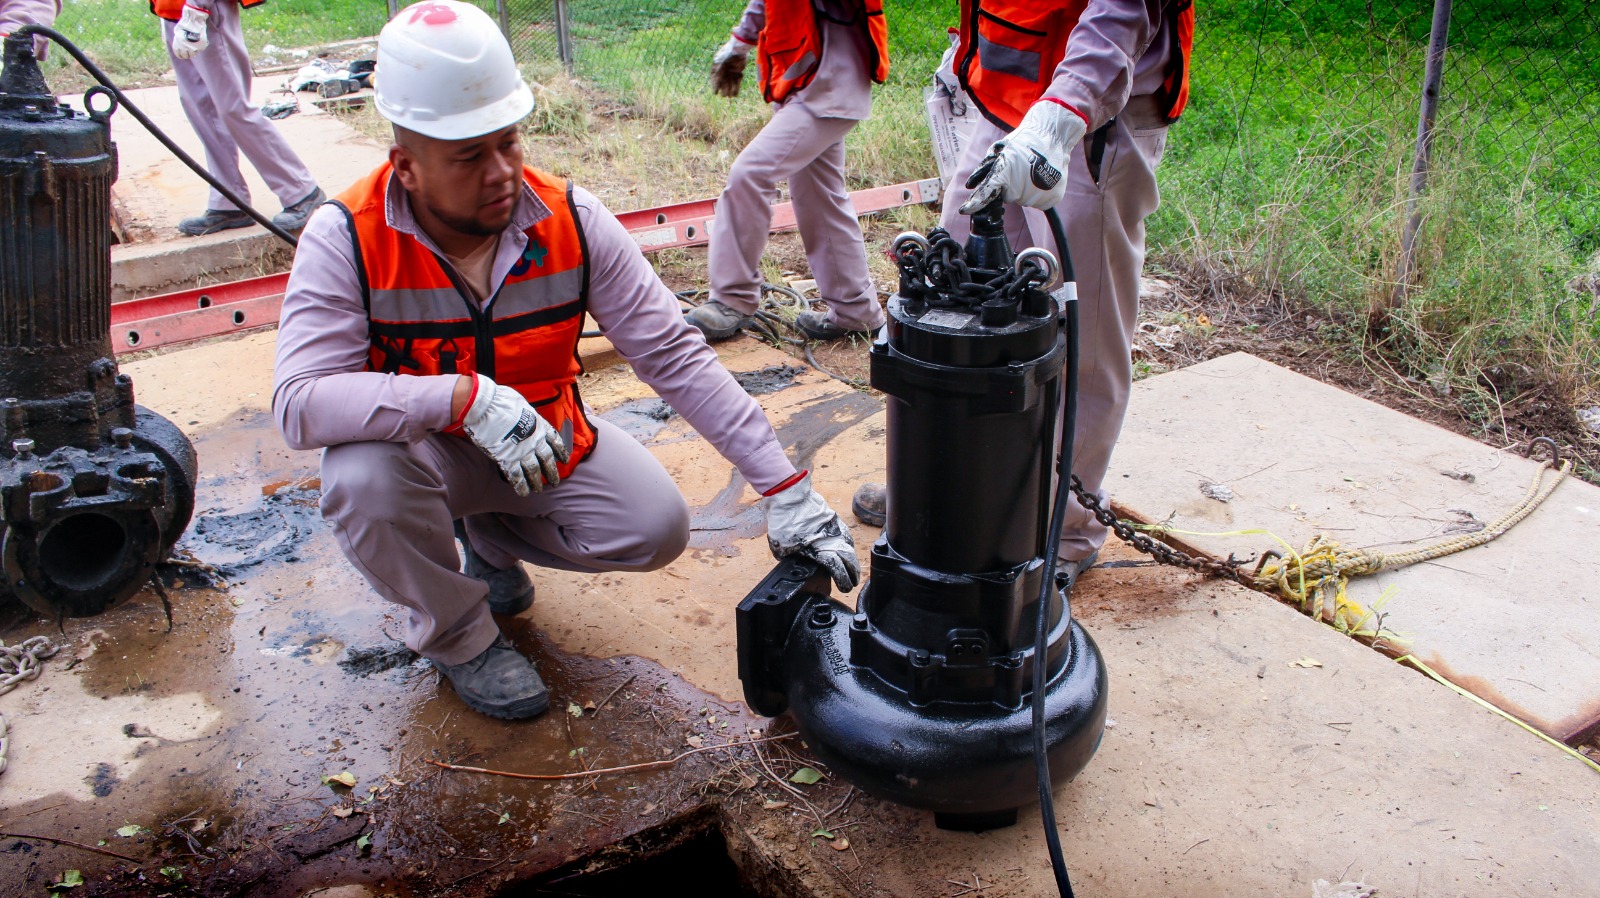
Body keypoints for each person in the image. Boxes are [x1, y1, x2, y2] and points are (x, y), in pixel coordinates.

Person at [272, 0, 859, 721]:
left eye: (509, 143)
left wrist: (786, 487)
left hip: (545, 444)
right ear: (407, 167)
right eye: (468, 156)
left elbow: (673, 356)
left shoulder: (571, 220)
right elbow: (300, 402)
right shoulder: (347, 238)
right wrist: (460, 401)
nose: (503, 172)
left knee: (653, 528)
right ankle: (461, 637)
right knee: (361, 477)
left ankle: (486, 536)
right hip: (425, 460)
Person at [856, 0, 1192, 579]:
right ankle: (945, 492)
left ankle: (1066, 532)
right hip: (1001, 103)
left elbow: (1120, 13)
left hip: (1090, 121)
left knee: (1083, 346)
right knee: (948, 299)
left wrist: (1059, 119)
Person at [687, 0, 890, 343]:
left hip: (829, 83)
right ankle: (855, 310)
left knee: (750, 173)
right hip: (811, 80)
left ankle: (731, 298)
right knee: (819, 196)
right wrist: (740, 41)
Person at [150, 0, 323, 236]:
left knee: (235, 109)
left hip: (203, 10)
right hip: (172, 10)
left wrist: (197, 9)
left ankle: (301, 191)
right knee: (202, 109)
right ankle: (229, 201)